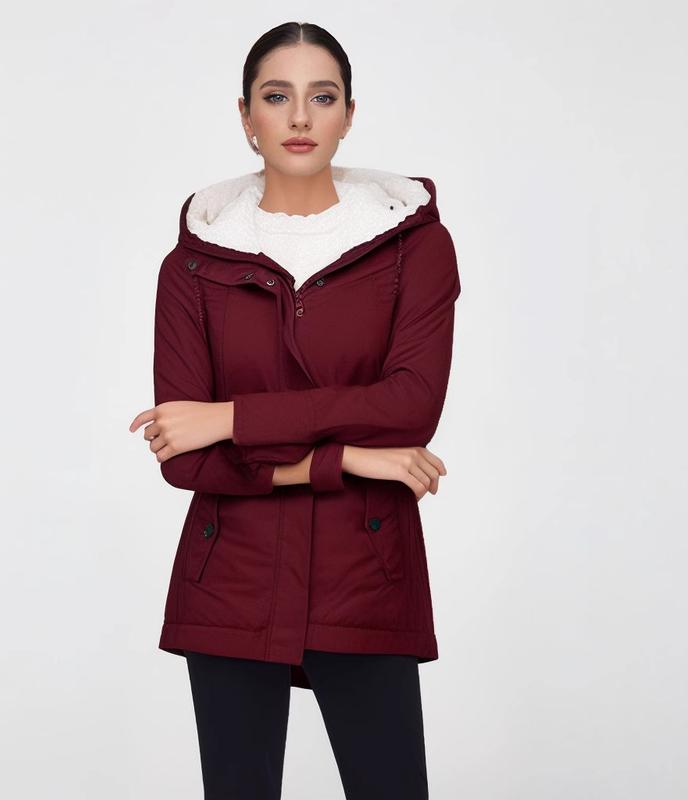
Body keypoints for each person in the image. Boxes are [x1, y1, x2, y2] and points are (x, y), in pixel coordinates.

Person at [129, 20, 462, 800]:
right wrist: (346, 458)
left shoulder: (415, 247)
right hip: (232, 578)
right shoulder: (192, 264)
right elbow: (184, 458)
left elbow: (410, 406)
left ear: (350, 114)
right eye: (278, 97)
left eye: (323, 97)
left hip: (364, 572)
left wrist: (231, 419)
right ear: (246, 116)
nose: (301, 117)